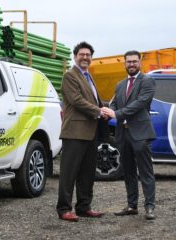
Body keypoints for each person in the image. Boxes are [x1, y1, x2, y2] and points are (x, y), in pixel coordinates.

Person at [101, 50, 156, 220]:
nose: (131, 64)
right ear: (124, 64)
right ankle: (132, 206)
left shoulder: (147, 81)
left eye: (134, 61)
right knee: (129, 171)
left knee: (145, 172)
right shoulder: (120, 85)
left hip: (140, 133)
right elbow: (114, 104)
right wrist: (107, 112)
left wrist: (116, 114)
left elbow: (139, 104)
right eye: (128, 62)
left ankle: (149, 207)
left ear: (140, 63)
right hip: (123, 134)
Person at [56, 41, 106, 222]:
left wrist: (105, 110)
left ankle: (84, 207)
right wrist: (99, 111)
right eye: (82, 54)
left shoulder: (88, 76)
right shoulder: (70, 76)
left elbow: (94, 101)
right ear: (75, 56)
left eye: (88, 55)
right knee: (69, 173)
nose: (85, 57)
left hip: (90, 132)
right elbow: (76, 100)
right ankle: (64, 209)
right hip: (75, 132)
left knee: (87, 173)